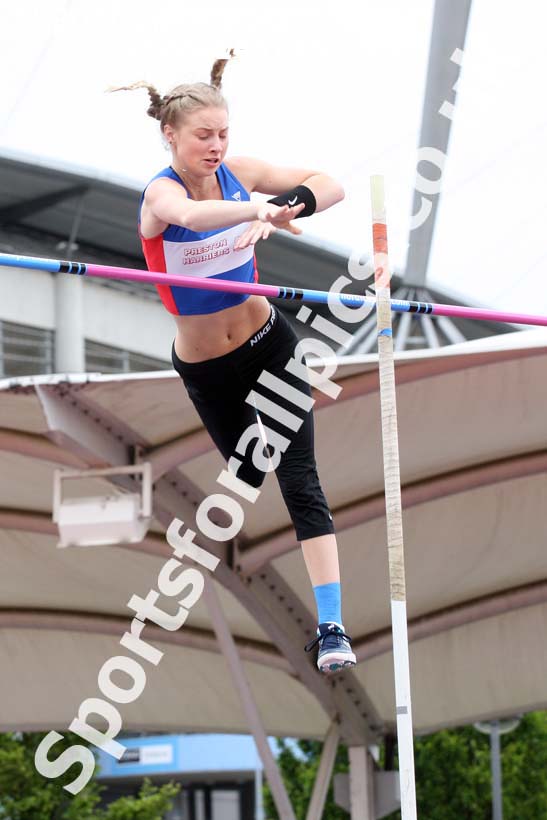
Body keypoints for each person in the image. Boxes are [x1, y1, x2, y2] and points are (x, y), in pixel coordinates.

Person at [110, 54, 356, 674]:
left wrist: (290, 204)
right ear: (170, 135)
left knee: (302, 481)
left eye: (223, 134)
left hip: (272, 345)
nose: (217, 147)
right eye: (204, 136)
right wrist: (257, 213)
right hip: (209, 371)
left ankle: (331, 628)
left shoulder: (242, 174)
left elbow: (332, 183)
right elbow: (192, 219)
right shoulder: (160, 195)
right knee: (245, 478)